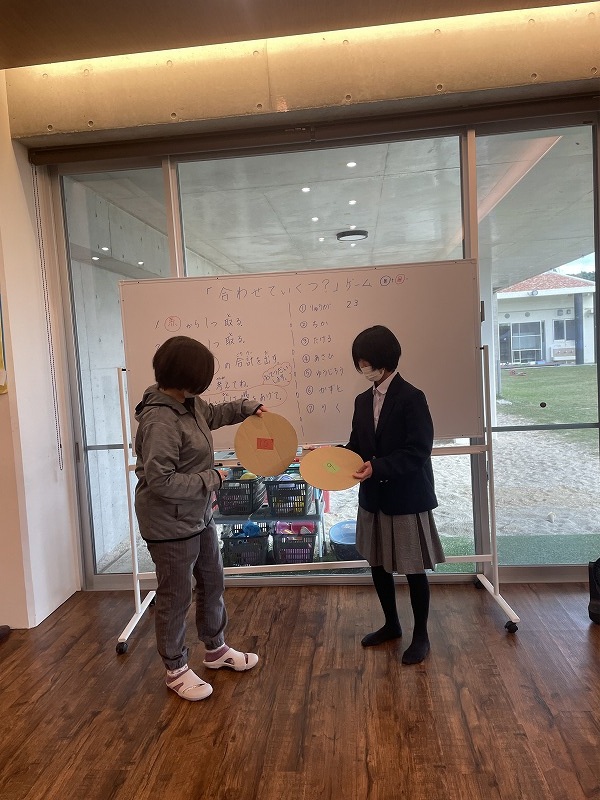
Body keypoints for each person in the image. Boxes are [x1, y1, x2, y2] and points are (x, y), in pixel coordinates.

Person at [134, 335, 266, 701]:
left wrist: (247, 407)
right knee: (176, 596)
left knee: (212, 581)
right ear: (185, 377)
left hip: (197, 513)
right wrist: (213, 478)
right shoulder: (161, 420)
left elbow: (216, 414)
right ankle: (175, 669)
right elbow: (161, 481)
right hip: (169, 522)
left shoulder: (188, 403)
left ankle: (216, 648)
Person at [345, 325, 444, 665]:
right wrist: (329, 458)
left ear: (384, 359)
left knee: (413, 569)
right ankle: (391, 624)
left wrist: (378, 467)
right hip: (373, 497)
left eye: (366, 361)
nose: (362, 367)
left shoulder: (411, 397)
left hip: (405, 496)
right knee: (377, 563)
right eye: (359, 361)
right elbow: (357, 446)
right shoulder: (362, 401)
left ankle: (421, 635)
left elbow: (419, 450)